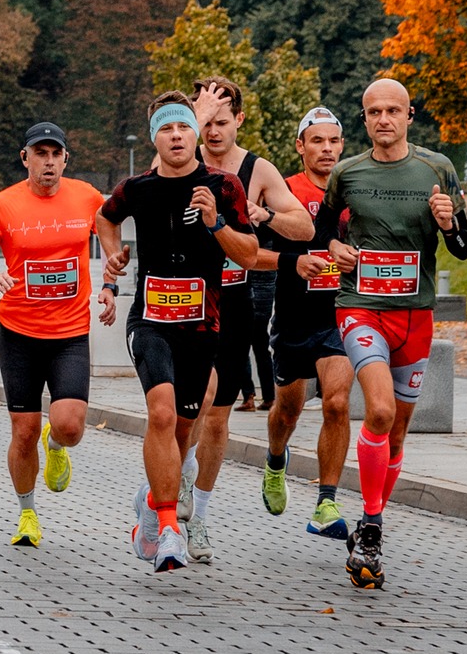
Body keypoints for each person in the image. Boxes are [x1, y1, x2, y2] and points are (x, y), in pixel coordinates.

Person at [94, 93, 266, 572]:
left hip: (202, 326)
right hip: (148, 321)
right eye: (166, 129)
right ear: (155, 138)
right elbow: (105, 218)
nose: (176, 136)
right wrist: (112, 257)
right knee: (162, 414)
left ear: (195, 135)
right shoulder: (136, 188)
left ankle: (150, 504)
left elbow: (249, 255)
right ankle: (170, 527)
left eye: (183, 128)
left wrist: (214, 224)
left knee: (185, 429)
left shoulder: (224, 185)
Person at [322, 78, 467, 592]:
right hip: (360, 309)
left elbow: (464, 247)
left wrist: (449, 225)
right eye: (373, 112)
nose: (383, 119)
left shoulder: (438, 169)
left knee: (399, 430)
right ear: (363, 120)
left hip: (416, 315)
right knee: (380, 411)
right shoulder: (347, 173)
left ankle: (369, 522)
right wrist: (333, 251)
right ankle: (372, 525)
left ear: (410, 116)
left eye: (393, 110)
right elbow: (326, 231)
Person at [178, 76, 313, 563]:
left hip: (231, 302)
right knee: (187, 409)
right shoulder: (178, 161)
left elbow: (305, 225)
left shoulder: (257, 170)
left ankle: (201, 519)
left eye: (221, 121)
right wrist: (190, 117)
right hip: (181, 305)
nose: (211, 132)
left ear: (239, 119)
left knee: (216, 418)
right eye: (204, 121)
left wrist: (264, 215)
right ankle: (178, 479)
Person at [0, 122, 108, 548]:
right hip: (20, 333)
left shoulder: (87, 196)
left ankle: (58, 444)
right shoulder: (3, 204)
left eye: (55, 154)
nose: (48, 162)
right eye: (39, 153)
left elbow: (116, 234)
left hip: (69, 333)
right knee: (23, 431)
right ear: (25, 158)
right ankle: (27, 513)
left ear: (66, 159)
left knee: (69, 426)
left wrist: (111, 280)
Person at [260, 107, 356, 545]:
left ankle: (326, 500)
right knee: (289, 410)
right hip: (293, 319)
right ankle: (276, 460)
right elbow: (255, 248)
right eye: (317, 141)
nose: (327, 149)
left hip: (338, 318)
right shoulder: (286, 189)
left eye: (334, 141)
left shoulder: (355, 190)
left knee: (336, 403)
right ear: (301, 146)